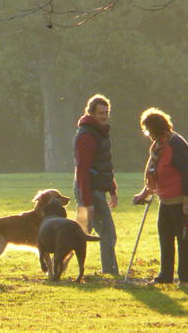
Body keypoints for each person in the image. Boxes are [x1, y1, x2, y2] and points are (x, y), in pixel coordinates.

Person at [133, 108, 188, 284]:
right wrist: (144, 193)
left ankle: (186, 278)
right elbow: (153, 173)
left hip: (183, 198)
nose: (147, 134)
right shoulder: (157, 146)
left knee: (184, 238)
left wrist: (187, 201)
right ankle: (166, 276)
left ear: (156, 128)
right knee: (165, 236)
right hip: (166, 199)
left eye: (148, 130)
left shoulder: (176, 144)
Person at [73, 94, 119, 275]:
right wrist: (88, 202)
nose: (104, 116)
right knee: (107, 234)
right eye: (100, 113)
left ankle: (58, 268)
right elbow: (82, 170)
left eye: (106, 112)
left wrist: (112, 190)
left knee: (78, 233)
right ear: (91, 113)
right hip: (89, 191)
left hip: (94, 190)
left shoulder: (99, 133)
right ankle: (111, 273)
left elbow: (104, 166)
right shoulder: (87, 136)